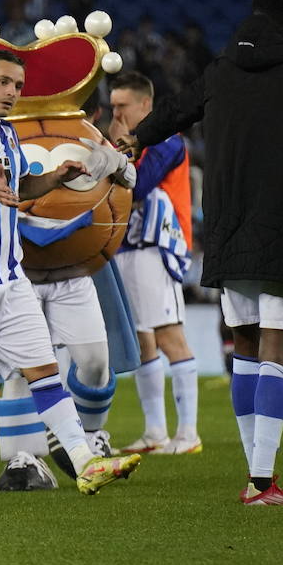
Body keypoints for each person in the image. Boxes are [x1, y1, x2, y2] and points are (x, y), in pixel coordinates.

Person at [117, 0, 283, 505]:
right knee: (276, 343)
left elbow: (175, 111)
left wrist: (137, 137)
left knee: (245, 342)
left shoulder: (221, 71)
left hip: (227, 227)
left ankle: (256, 476)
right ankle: (262, 482)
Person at [0, 48, 139, 501]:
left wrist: (57, 177)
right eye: (3, 82)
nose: (12, 93)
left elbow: (20, 187)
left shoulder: (8, 136)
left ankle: (84, 463)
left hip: (10, 278)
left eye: (18, 86)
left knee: (44, 372)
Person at [107, 71, 200, 455]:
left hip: (157, 246)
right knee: (144, 341)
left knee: (169, 337)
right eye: (112, 106)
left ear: (146, 105)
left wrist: (111, 148)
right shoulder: (130, 144)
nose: (116, 113)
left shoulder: (167, 141)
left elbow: (138, 184)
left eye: (122, 106)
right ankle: (156, 432)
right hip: (127, 248)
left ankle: (188, 434)